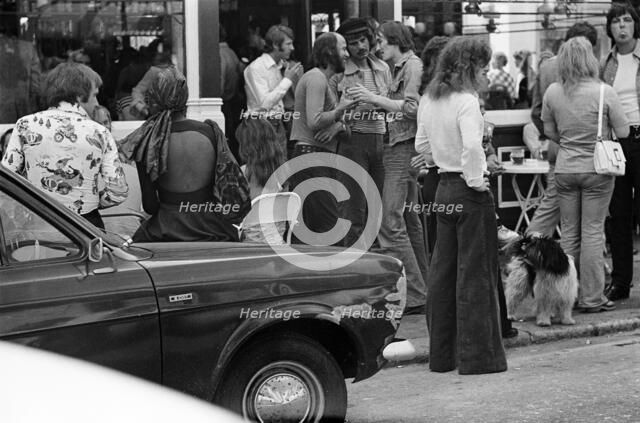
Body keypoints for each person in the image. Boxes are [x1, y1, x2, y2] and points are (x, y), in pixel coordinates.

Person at [415, 36, 507, 374]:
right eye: (483, 68)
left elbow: (420, 144)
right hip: (468, 193)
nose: (487, 74)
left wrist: (441, 161)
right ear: (470, 67)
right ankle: (479, 359)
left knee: (442, 274)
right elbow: (472, 147)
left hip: (442, 190)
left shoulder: (430, 98)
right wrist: (475, 180)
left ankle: (442, 357)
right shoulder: (467, 101)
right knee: (477, 275)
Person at [543, 36, 629, 313]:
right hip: (597, 170)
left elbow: (549, 131)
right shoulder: (605, 92)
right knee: (593, 232)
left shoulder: (553, 92)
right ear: (590, 59)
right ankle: (592, 298)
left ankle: (567, 296)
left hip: (565, 168)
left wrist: (569, 140)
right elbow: (625, 131)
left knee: (568, 233)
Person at [349, 21, 427, 313]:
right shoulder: (399, 68)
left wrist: (374, 98)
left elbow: (412, 108)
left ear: (396, 41)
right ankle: (424, 288)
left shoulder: (412, 67)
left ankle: (417, 294)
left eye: (380, 40)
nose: (376, 46)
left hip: (402, 148)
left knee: (390, 224)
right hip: (398, 145)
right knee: (408, 222)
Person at [1, 62, 128, 229]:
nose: (96, 102)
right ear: (80, 95)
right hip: (86, 226)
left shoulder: (25, 125)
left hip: (38, 224)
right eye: (94, 95)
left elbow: (6, 180)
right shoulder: (99, 132)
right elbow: (118, 192)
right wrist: (88, 201)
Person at [119, 67, 238, 242]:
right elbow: (229, 190)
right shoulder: (211, 132)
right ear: (185, 98)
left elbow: (150, 206)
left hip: (166, 229)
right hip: (213, 228)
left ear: (154, 99)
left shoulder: (147, 140)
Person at [528, 21, 600, 238]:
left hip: (558, 148)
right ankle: (527, 254)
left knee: (553, 203)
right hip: (588, 152)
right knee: (589, 215)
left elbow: (536, 111)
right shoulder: (591, 67)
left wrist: (557, 137)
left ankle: (528, 253)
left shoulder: (546, 66)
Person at [289, 32, 355, 245]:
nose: (347, 54)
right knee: (328, 231)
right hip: (312, 159)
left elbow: (345, 132)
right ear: (328, 52)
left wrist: (338, 125)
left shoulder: (322, 80)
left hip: (316, 159)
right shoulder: (316, 78)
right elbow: (314, 121)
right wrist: (341, 110)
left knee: (313, 232)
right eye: (343, 48)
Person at [331, 18, 390, 248]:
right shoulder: (340, 72)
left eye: (363, 40)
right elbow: (331, 111)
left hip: (381, 139)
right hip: (352, 140)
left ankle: (377, 261)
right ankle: (353, 262)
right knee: (353, 207)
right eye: (353, 43)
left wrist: (378, 102)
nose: (360, 46)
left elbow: (391, 103)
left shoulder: (383, 68)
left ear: (370, 39)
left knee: (380, 205)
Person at [601, 3, 640, 302]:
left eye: (627, 20)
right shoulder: (606, 64)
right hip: (617, 144)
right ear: (610, 28)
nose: (622, 26)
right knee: (618, 216)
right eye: (616, 21)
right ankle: (621, 283)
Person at [243, 25, 303, 151]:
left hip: (278, 122)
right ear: (276, 45)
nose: (292, 48)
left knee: (281, 166)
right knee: (265, 167)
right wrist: (287, 80)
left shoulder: (280, 66)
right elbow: (264, 104)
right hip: (260, 125)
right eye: (288, 44)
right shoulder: (257, 68)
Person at [235, 117, 288, 244]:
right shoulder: (284, 171)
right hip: (278, 240)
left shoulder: (244, 172)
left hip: (250, 241)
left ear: (247, 145)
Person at [220, 26, 245, 161]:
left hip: (224, 104)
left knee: (228, 142)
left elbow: (220, 83)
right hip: (233, 102)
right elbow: (241, 71)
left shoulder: (219, 54)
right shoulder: (231, 53)